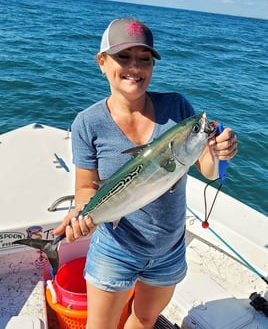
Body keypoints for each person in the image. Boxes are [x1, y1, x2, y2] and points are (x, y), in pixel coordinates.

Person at [53, 17, 238, 329]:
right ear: (102, 62)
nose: (135, 68)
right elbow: (86, 188)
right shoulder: (88, 123)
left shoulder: (176, 107)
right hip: (115, 248)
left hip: (168, 248)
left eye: (145, 59)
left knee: (146, 319)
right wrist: (84, 212)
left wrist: (219, 151)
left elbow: (206, 169)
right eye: (123, 57)